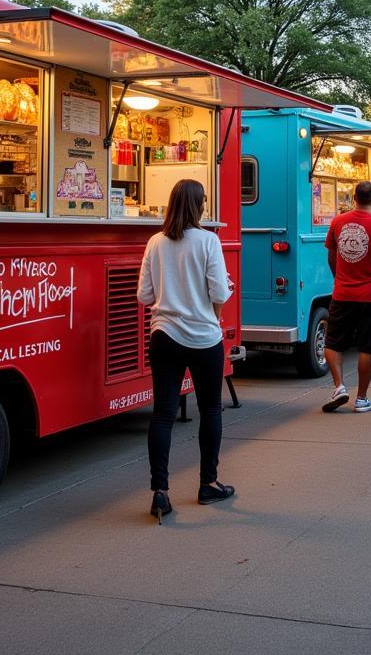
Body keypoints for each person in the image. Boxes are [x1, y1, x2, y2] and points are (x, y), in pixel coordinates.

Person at [138, 179, 235, 523]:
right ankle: (208, 483)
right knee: (210, 410)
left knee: (162, 413)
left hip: (164, 335)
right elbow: (220, 294)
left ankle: (160, 492)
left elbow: (145, 296)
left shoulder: (155, 242)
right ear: (198, 206)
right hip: (204, 339)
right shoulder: (209, 241)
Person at [321, 181, 371, 413]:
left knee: (333, 342)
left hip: (343, 293)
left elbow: (331, 257)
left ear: (354, 197)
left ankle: (339, 387)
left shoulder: (337, 222)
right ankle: (362, 398)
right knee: (368, 347)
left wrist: (340, 278)